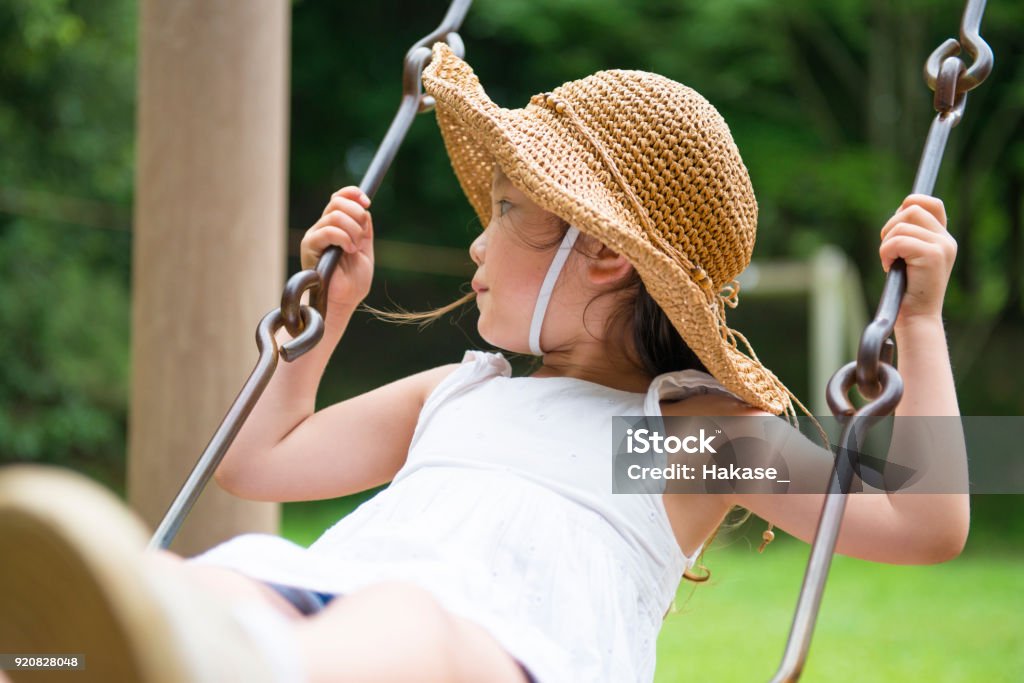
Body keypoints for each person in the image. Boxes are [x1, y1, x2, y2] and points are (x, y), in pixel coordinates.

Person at [0, 41, 968, 683]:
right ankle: (106, 644)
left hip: (501, 653)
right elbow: (259, 464)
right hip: (326, 605)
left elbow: (923, 520)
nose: (474, 242)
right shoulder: (457, 394)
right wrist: (323, 320)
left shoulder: (674, 438)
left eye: (503, 208)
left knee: (405, 622)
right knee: (219, 578)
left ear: (603, 252)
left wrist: (917, 325)